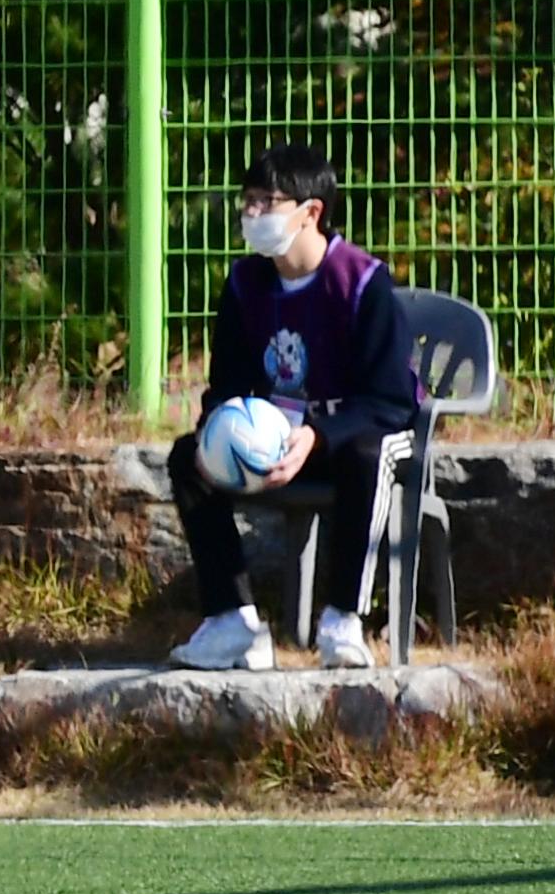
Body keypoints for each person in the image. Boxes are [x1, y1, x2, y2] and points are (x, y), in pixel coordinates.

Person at [168, 140, 422, 672]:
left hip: (361, 430)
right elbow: (227, 384)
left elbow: (391, 400)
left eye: (267, 201)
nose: (252, 214)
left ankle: (343, 620)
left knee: (367, 456)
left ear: (311, 212)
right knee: (188, 457)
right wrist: (217, 429)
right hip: (278, 438)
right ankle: (232, 621)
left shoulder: (363, 282)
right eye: (247, 201)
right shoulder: (244, 284)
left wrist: (318, 435)